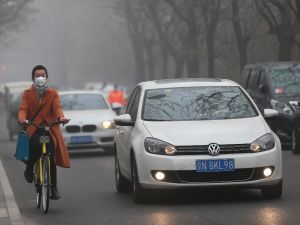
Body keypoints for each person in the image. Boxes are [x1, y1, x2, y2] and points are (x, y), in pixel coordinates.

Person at [18, 65, 70, 200]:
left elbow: (57, 107)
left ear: (47, 77)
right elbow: (23, 109)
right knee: (34, 148)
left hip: (49, 129)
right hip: (34, 127)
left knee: (50, 156)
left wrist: (61, 117)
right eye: (37, 75)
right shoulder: (27, 94)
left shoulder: (53, 93)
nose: (40, 78)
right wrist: (23, 119)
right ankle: (29, 168)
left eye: (43, 75)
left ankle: (54, 188)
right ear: (33, 78)